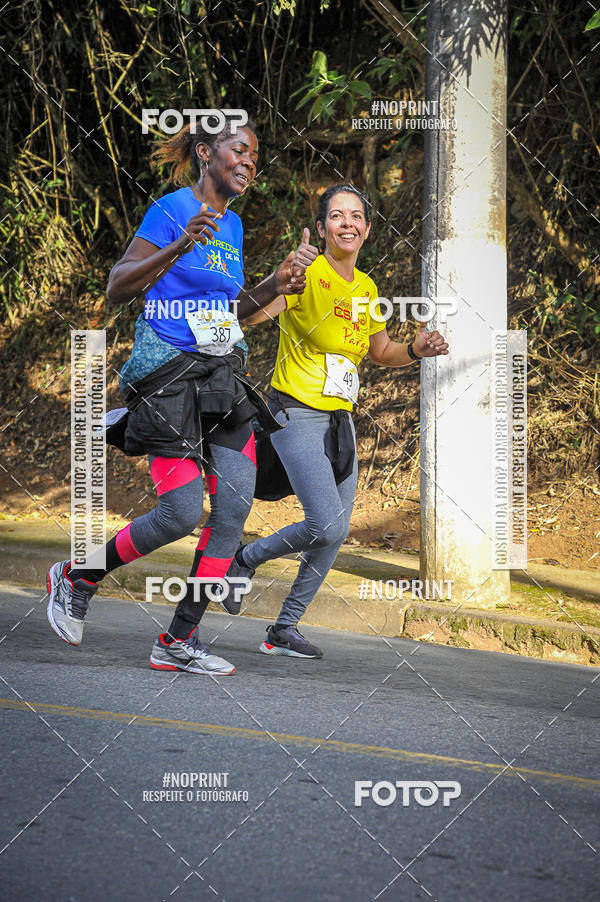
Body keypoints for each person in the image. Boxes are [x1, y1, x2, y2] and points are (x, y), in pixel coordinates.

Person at [46, 114, 317, 675]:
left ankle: (177, 641)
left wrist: (277, 283)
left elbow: (230, 311)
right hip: (171, 380)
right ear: (204, 153)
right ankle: (77, 576)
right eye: (238, 150)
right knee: (179, 513)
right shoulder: (171, 208)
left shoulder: (235, 226)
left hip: (221, 380)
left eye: (254, 155)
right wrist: (177, 245)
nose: (248, 161)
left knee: (233, 509)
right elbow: (118, 285)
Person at [233, 183, 449, 659]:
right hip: (294, 414)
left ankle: (283, 629)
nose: (347, 223)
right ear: (323, 226)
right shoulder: (306, 273)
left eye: (356, 216)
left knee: (335, 531)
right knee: (326, 524)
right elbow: (247, 317)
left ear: (367, 229)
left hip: (340, 423)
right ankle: (245, 558)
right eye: (337, 216)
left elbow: (380, 351)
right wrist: (279, 279)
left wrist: (415, 350)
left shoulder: (368, 287)